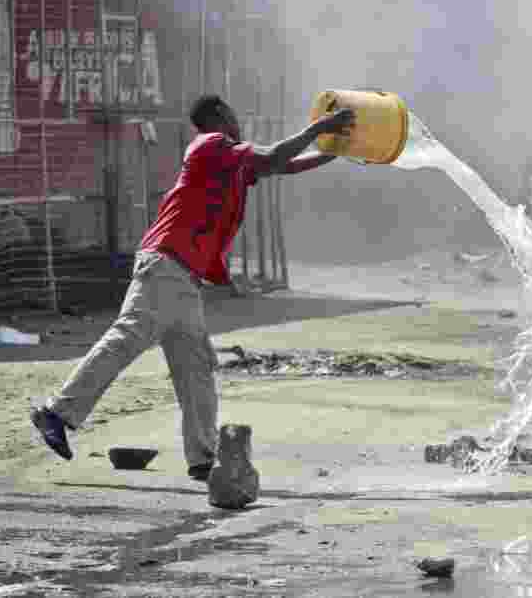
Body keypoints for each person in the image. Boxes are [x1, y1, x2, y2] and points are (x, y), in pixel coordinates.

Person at [31, 94, 355, 481]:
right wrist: (321, 129)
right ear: (220, 115)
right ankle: (57, 413)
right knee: (127, 338)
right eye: (233, 113)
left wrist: (337, 152)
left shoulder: (231, 161)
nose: (238, 122)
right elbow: (271, 156)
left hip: (183, 278)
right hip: (165, 263)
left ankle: (202, 460)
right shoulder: (211, 145)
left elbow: (282, 165)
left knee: (196, 370)